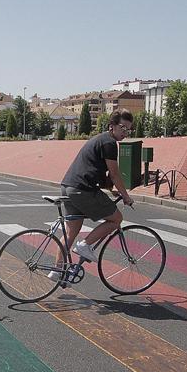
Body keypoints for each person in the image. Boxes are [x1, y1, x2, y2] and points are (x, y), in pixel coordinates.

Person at [58, 109, 135, 265]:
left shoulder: (99, 139)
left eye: (129, 129)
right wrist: (125, 196)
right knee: (116, 219)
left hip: (68, 186)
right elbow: (114, 173)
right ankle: (85, 245)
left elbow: (95, 170)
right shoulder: (110, 143)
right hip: (83, 189)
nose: (126, 132)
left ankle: (57, 270)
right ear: (112, 125)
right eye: (123, 127)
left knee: (71, 230)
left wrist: (111, 190)